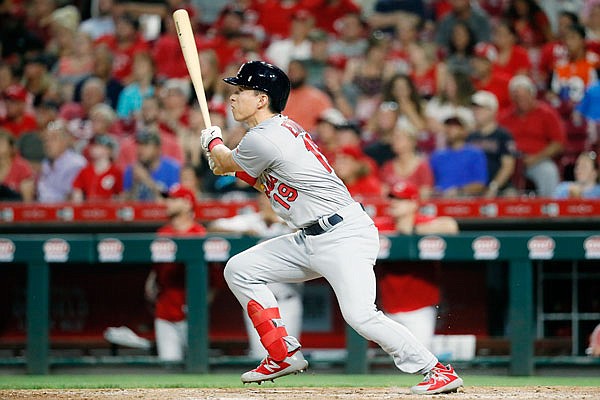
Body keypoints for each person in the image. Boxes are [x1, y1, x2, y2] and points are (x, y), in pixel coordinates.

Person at [200, 60, 463, 394]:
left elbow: (226, 162)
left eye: (240, 91)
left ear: (262, 99)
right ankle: (281, 352)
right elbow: (248, 174)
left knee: (361, 316)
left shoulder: (264, 138)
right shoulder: (275, 133)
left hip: (342, 234)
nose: (232, 98)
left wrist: (213, 144)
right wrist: (221, 158)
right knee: (240, 269)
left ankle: (437, 370)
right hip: (308, 237)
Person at [208, 193, 303, 359]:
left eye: (268, 198)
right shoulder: (252, 220)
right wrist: (245, 231)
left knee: (290, 355)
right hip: (259, 304)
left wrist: (278, 221)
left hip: (287, 300)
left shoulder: (292, 219)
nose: (264, 202)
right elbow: (214, 226)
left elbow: (306, 232)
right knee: (261, 355)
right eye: (262, 199)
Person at [375, 181, 459, 350]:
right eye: (392, 198)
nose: (394, 203)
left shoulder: (424, 222)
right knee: (394, 364)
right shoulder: (382, 224)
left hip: (420, 309)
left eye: (400, 199)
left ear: (414, 203)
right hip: (387, 309)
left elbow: (451, 226)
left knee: (419, 358)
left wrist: (414, 229)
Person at [144, 184, 206, 362]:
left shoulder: (199, 233)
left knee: (198, 364)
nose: (167, 203)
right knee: (169, 365)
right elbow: (156, 271)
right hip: (165, 312)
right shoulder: (162, 233)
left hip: (192, 313)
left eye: (173, 199)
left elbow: (214, 281)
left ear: (187, 203)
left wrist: (201, 305)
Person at [499, 75, 565, 197]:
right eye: (517, 97)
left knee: (548, 171)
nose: (520, 100)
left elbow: (558, 143)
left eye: (524, 96)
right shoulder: (505, 118)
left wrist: (536, 157)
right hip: (510, 162)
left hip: (537, 160)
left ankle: (549, 208)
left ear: (532, 95)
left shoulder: (547, 113)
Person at [467, 90, 517, 197]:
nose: (476, 112)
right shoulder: (470, 137)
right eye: (474, 108)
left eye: (481, 108)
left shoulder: (503, 136)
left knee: (511, 196)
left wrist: (493, 187)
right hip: (474, 188)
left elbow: (508, 166)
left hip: (500, 187)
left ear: (492, 111)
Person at [430, 115, 488, 197]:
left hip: (465, 200)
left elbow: (480, 184)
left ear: (464, 131)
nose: (449, 130)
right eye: (447, 126)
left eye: (455, 127)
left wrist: (459, 190)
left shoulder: (475, 154)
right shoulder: (437, 156)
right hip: (440, 200)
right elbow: (430, 183)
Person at [37, 119, 87, 202]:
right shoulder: (45, 162)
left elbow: (73, 198)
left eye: (53, 139)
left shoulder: (76, 163)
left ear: (66, 140)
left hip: (64, 211)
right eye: (45, 140)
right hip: (43, 210)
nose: (48, 143)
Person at [123, 130, 181, 201]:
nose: (141, 149)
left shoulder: (172, 169)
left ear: (157, 149)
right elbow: (126, 204)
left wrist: (147, 180)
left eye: (146, 145)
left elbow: (172, 199)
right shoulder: (131, 170)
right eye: (139, 145)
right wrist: (134, 185)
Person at [71, 134, 123, 202]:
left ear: (108, 150)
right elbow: (77, 194)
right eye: (92, 145)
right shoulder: (85, 171)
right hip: (88, 210)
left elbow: (121, 196)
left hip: (109, 210)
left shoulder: (116, 172)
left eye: (97, 146)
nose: (93, 148)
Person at [0, 129, 35, 201]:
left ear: (11, 147)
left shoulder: (21, 166)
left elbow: (28, 197)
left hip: (15, 206)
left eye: (1, 143)